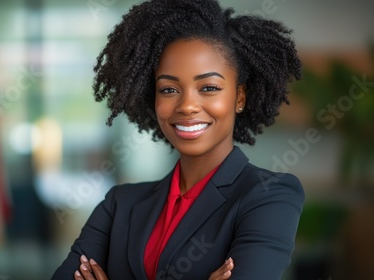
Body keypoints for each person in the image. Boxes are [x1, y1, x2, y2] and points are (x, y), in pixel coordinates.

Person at [52, 0, 304, 279]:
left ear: (239, 97)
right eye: (169, 89)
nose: (186, 106)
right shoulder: (120, 204)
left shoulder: (269, 195)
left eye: (208, 87)